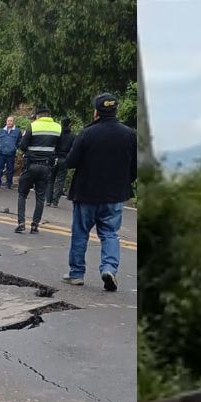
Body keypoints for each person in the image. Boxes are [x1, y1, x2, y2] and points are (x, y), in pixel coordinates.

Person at [63, 92, 136, 292]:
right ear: (115, 109)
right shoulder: (129, 134)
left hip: (86, 193)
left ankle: (76, 274)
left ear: (96, 112)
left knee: (80, 233)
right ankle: (109, 268)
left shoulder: (87, 133)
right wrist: (124, 183)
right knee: (110, 233)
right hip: (114, 195)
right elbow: (135, 166)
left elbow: (71, 162)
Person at [14, 106, 62, 234]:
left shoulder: (32, 126)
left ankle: (21, 222)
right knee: (40, 197)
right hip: (46, 166)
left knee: (22, 194)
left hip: (31, 165)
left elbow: (23, 146)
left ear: (38, 116)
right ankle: (35, 225)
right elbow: (59, 147)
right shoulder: (58, 127)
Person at [47, 117, 75, 208]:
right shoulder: (73, 136)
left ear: (61, 123)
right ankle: (55, 201)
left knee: (51, 179)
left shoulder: (57, 134)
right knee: (60, 180)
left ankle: (48, 200)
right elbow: (73, 149)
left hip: (54, 157)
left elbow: (51, 145)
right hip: (64, 159)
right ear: (69, 124)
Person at [0, 116, 21, 189]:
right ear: (6, 121)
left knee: (10, 169)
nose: (9, 122)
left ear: (13, 122)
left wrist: (15, 147)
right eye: (8, 121)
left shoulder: (17, 131)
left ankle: (8, 184)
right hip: (1, 152)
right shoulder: (1, 130)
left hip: (11, 153)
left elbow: (20, 141)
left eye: (11, 121)